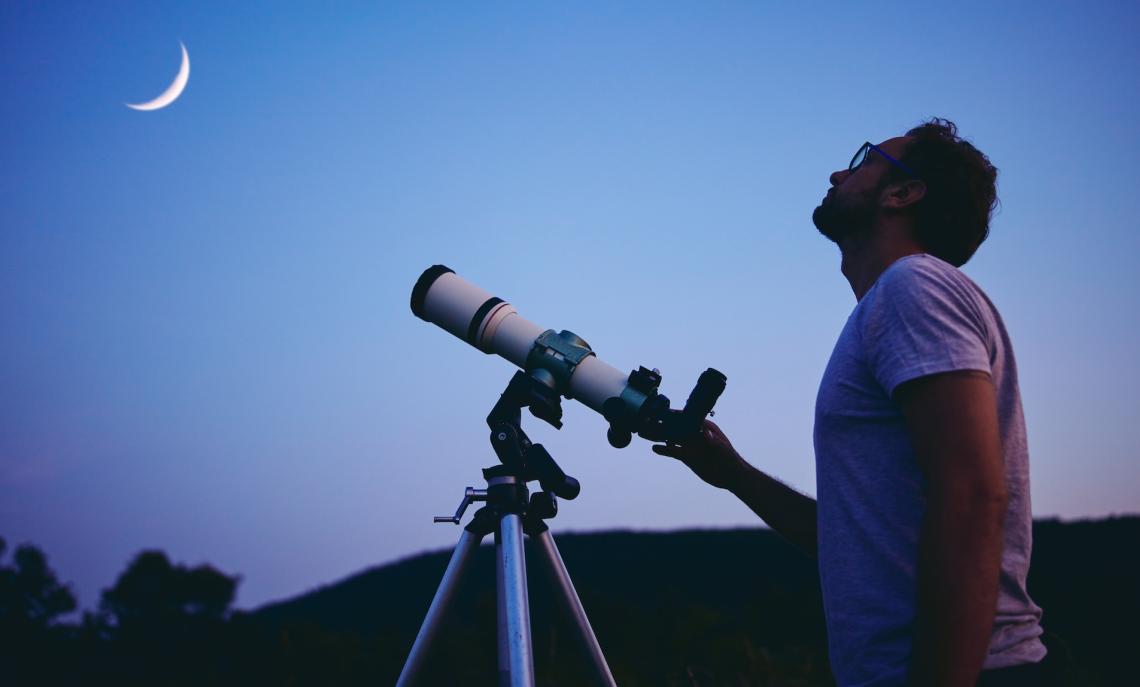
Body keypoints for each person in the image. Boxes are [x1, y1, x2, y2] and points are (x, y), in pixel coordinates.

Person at [654, 119, 1051, 686]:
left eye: (865, 160)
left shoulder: (912, 288)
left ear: (903, 193)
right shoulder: (895, 301)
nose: (838, 173)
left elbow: (971, 495)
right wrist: (734, 474)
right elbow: (850, 542)